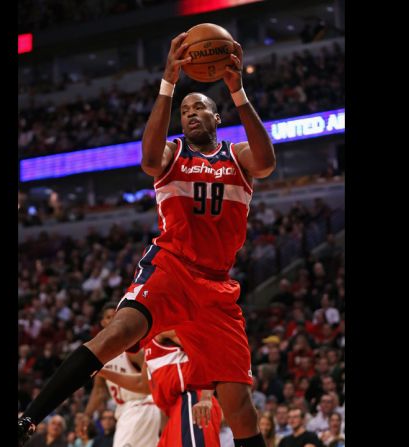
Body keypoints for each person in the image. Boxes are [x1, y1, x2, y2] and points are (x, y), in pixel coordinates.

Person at [19, 30, 276, 447]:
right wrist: (168, 84)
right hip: (171, 267)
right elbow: (147, 159)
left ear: (217, 118)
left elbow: (266, 163)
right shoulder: (173, 153)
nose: (191, 113)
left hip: (216, 286)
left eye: (200, 108)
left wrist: (237, 89)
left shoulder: (238, 155)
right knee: (117, 333)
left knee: (240, 405)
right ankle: (27, 420)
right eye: (186, 110)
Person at [97, 330, 222, 447]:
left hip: (192, 401)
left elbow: (207, 350)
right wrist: (102, 372)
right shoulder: (149, 344)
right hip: (172, 411)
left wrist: (206, 397)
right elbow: (143, 384)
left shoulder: (165, 330)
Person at [83, 305, 161, 447]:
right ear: (102, 322)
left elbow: (154, 378)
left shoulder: (132, 349)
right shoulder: (102, 352)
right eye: (108, 317)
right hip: (125, 411)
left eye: (116, 316)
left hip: (141, 406)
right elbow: (99, 390)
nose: (113, 320)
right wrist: (87, 415)